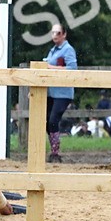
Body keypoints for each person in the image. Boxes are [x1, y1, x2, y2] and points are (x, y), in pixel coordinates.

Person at [43, 23, 77, 162]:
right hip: (51, 91)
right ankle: (54, 151)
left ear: (64, 34)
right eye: (53, 33)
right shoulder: (53, 50)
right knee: (47, 121)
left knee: (53, 120)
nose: (54, 36)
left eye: (57, 33)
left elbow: (72, 69)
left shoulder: (68, 50)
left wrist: (51, 67)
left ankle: (55, 152)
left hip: (62, 92)